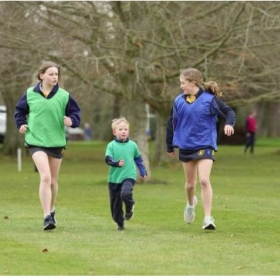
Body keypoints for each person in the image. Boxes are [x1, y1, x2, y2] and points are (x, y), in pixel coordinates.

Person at [166, 67, 236, 230]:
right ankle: (190, 204)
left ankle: (208, 218)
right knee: (190, 184)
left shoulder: (209, 99)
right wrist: (170, 145)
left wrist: (228, 123)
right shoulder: (178, 101)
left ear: (193, 82)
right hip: (186, 145)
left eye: (183, 83)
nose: (181, 86)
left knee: (204, 180)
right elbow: (171, 123)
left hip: (206, 143)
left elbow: (229, 112)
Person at [14, 61, 81, 231]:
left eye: (56, 75)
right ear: (41, 75)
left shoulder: (64, 96)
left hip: (56, 142)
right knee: (45, 177)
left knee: (53, 181)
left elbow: (75, 114)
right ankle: (46, 217)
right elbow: (20, 111)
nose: (54, 77)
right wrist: (21, 124)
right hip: (35, 141)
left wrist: (71, 120)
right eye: (51, 74)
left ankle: (52, 210)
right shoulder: (30, 93)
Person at [105, 117, 147, 231]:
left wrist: (142, 170)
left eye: (126, 129)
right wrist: (116, 163)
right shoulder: (111, 145)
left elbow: (138, 159)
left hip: (129, 175)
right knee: (115, 204)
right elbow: (108, 159)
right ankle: (120, 223)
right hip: (114, 179)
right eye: (120, 129)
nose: (123, 131)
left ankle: (130, 206)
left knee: (125, 193)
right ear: (114, 132)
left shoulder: (133, 145)